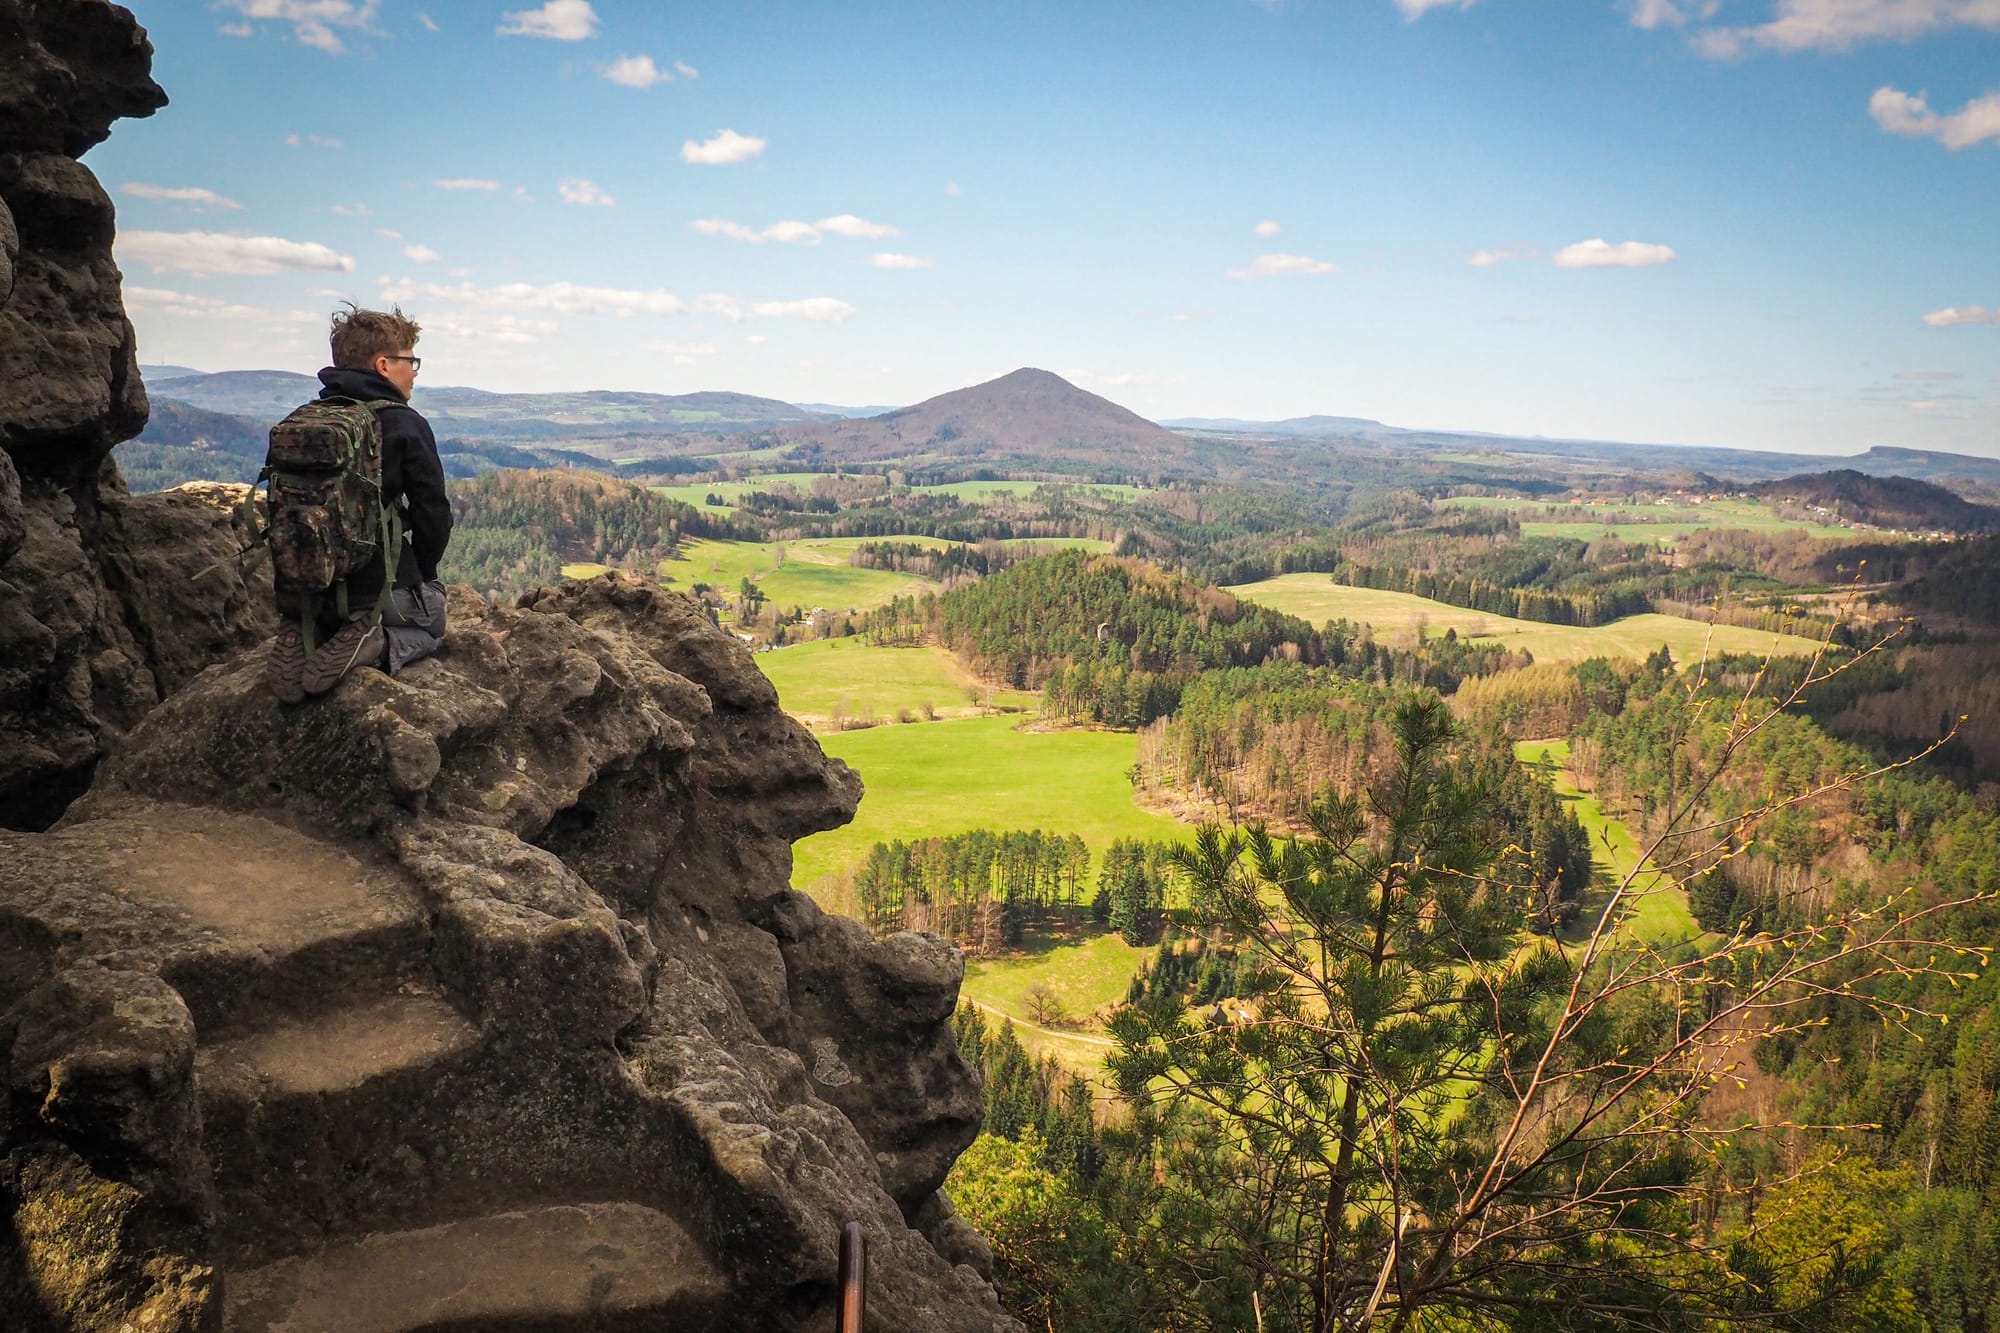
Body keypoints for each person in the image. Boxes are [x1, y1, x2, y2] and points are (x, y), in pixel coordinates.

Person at [267, 304, 453, 700]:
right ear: (384, 365)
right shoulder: (405, 423)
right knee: (435, 621)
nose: (415, 371)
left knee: (325, 608)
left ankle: (307, 627)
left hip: (305, 584)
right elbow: (433, 517)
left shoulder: (304, 420)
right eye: (410, 360)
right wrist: (424, 576)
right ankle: (378, 643)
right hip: (375, 591)